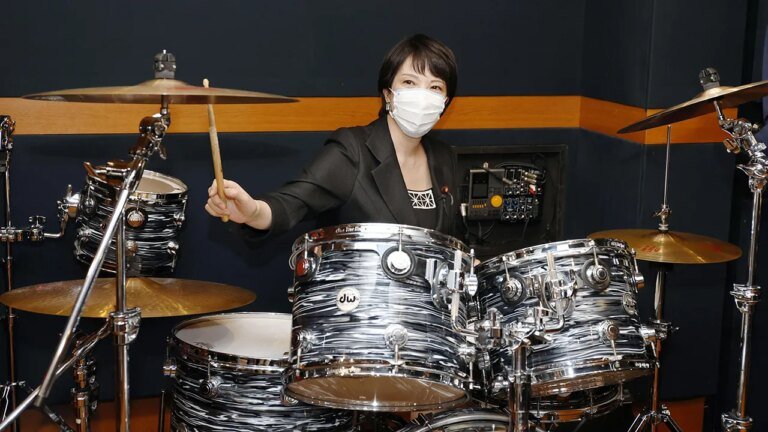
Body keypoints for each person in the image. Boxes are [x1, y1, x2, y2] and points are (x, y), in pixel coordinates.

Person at [205, 34, 459, 236]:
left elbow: (454, 244)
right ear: (388, 94)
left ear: (445, 102)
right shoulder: (353, 150)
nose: (422, 96)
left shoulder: (444, 157)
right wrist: (253, 211)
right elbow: (293, 203)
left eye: (435, 87)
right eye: (409, 82)